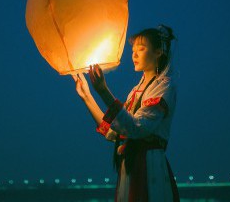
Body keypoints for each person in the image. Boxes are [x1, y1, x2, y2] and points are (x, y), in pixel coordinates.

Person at [72, 24, 179, 201]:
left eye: (141, 49)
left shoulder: (164, 86)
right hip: (130, 169)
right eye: (133, 50)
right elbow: (114, 132)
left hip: (149, 168)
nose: (134, 55)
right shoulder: (135, 91)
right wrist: (87, 96)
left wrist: (104, 91)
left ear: (159, 52)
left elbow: (136, 128)